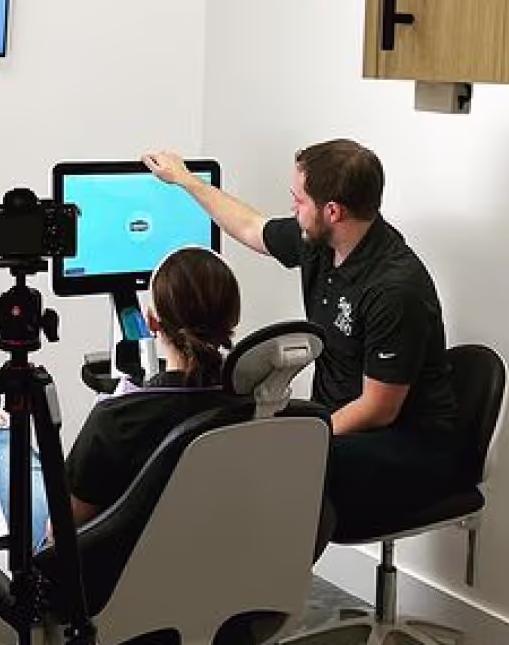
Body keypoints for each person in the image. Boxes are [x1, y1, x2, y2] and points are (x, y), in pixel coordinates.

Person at [142, 141, 462, 534]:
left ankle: (262, 588)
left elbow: (378, 409)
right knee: (245, 451)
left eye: (298, 200)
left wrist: (297, 435)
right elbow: (249, 226)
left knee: (276, 472)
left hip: (408, 447)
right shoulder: (319, 242)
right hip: (342, 425)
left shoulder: (394, 289)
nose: (293, 209)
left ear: (333, 211)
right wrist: (185, 180)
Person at [0, 245, 242, 555]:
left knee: (34, 486)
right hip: (208, 570)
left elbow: (58, 531)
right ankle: (0, 437)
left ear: (151, 321)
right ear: (233, 320)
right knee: (45, 476)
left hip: (100, 586)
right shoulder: (253, 407)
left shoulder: (118, 418)